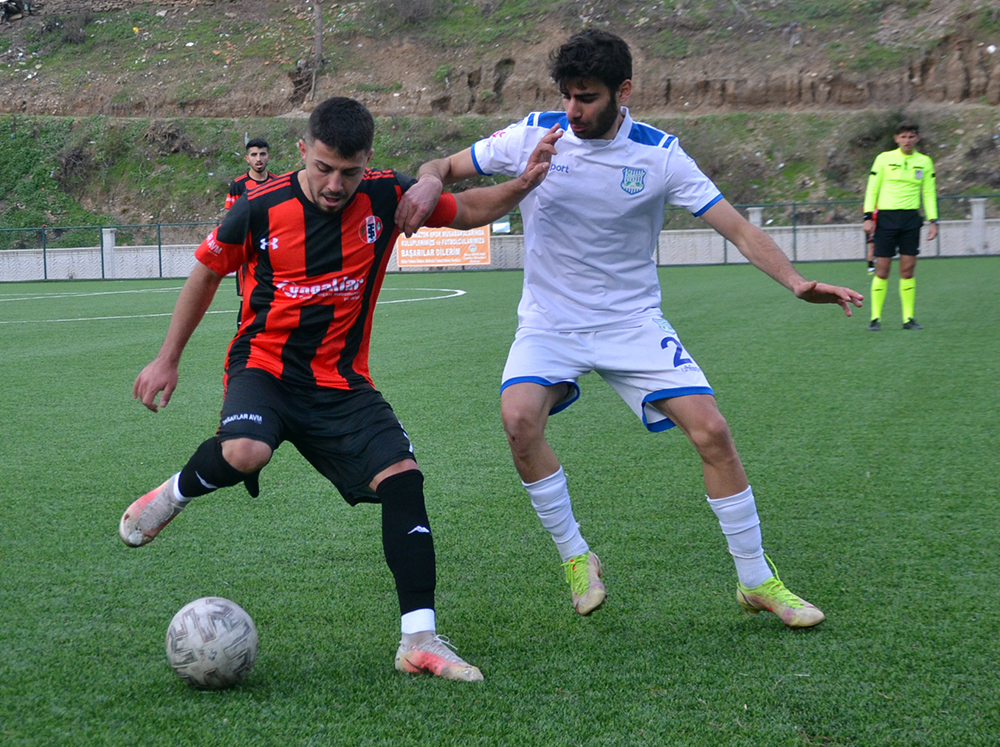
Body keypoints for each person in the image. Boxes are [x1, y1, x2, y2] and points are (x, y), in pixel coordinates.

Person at [397, 30, 863, 628]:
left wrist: (795, 281)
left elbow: (739, 229)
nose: (572, 110)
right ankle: (576, 557)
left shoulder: (659, 155)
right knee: (518, 420)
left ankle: (756, 580)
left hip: (631, 322)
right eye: (566, 95)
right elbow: (443, 166)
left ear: (624, 90)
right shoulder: (533, 134)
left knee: (712, 432)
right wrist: (430, 179)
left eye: (587, 97)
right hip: (550, 323)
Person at [121, 97, 557, 682]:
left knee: (403, 480)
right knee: (246, 451)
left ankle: (419, 641)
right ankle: (174, 493)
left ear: (367, 160)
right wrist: (167, 358)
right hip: (265, 368)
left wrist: (523, 184)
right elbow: (205, 271)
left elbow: (469, 209)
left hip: (341, 382)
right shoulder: (258, 208)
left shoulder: (385, 195)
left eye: (348, 172)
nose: (334, 184)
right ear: (303, 150)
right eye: (323, 167)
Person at [862, 121, 938, 331]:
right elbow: (872, 189)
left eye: (911, 136)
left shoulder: (924, 162)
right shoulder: (884, 159)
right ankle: (875, 318)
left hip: (911, 220)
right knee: (882, 270)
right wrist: (867, 216)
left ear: (917, 138)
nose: (907, 140)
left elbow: (929, 193)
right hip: (886, 219)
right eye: (903, 137)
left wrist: (933, 220)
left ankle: (908, 318)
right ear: (896, 139)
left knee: (908, 269)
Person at [225, 139, 277, 309]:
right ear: (247, 159)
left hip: (273, 247)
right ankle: (243, 326)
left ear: (269, 157)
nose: (258, 158)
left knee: (275, 296)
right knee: (246, 298)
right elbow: (231, 220)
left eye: (262, 154)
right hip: (247, 250)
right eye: (254, 155)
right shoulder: (238, 185)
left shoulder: (278, 183)